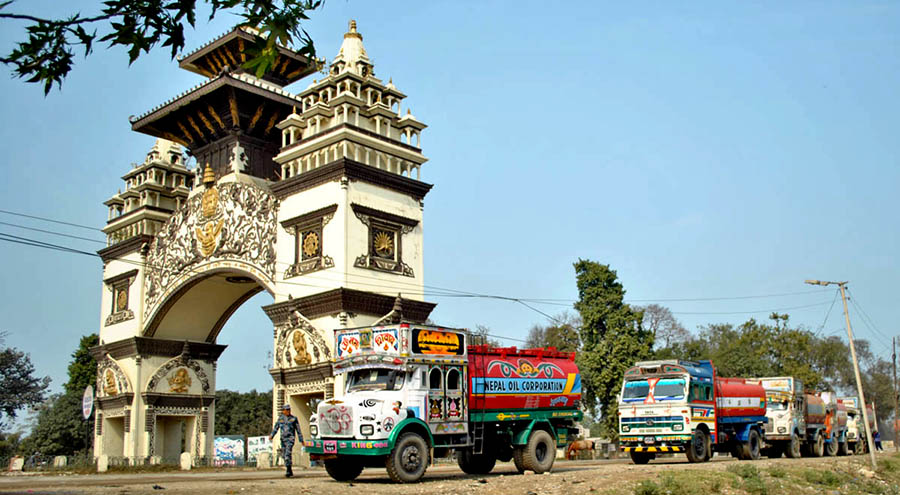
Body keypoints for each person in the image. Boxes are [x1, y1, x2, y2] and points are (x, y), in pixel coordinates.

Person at [270, 404, 303, 477]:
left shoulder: (294, 419)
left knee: (288, 454)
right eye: (286, 410)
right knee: (284, 455)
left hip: (290, 439)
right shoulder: (280, 419)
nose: (288, 411)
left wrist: (301, 440)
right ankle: (289, 468)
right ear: (283, 411)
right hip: (283, 439)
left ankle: (288, 471)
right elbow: (276, 428)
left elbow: (298, 430)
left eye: (289, 409)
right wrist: (272, 436)